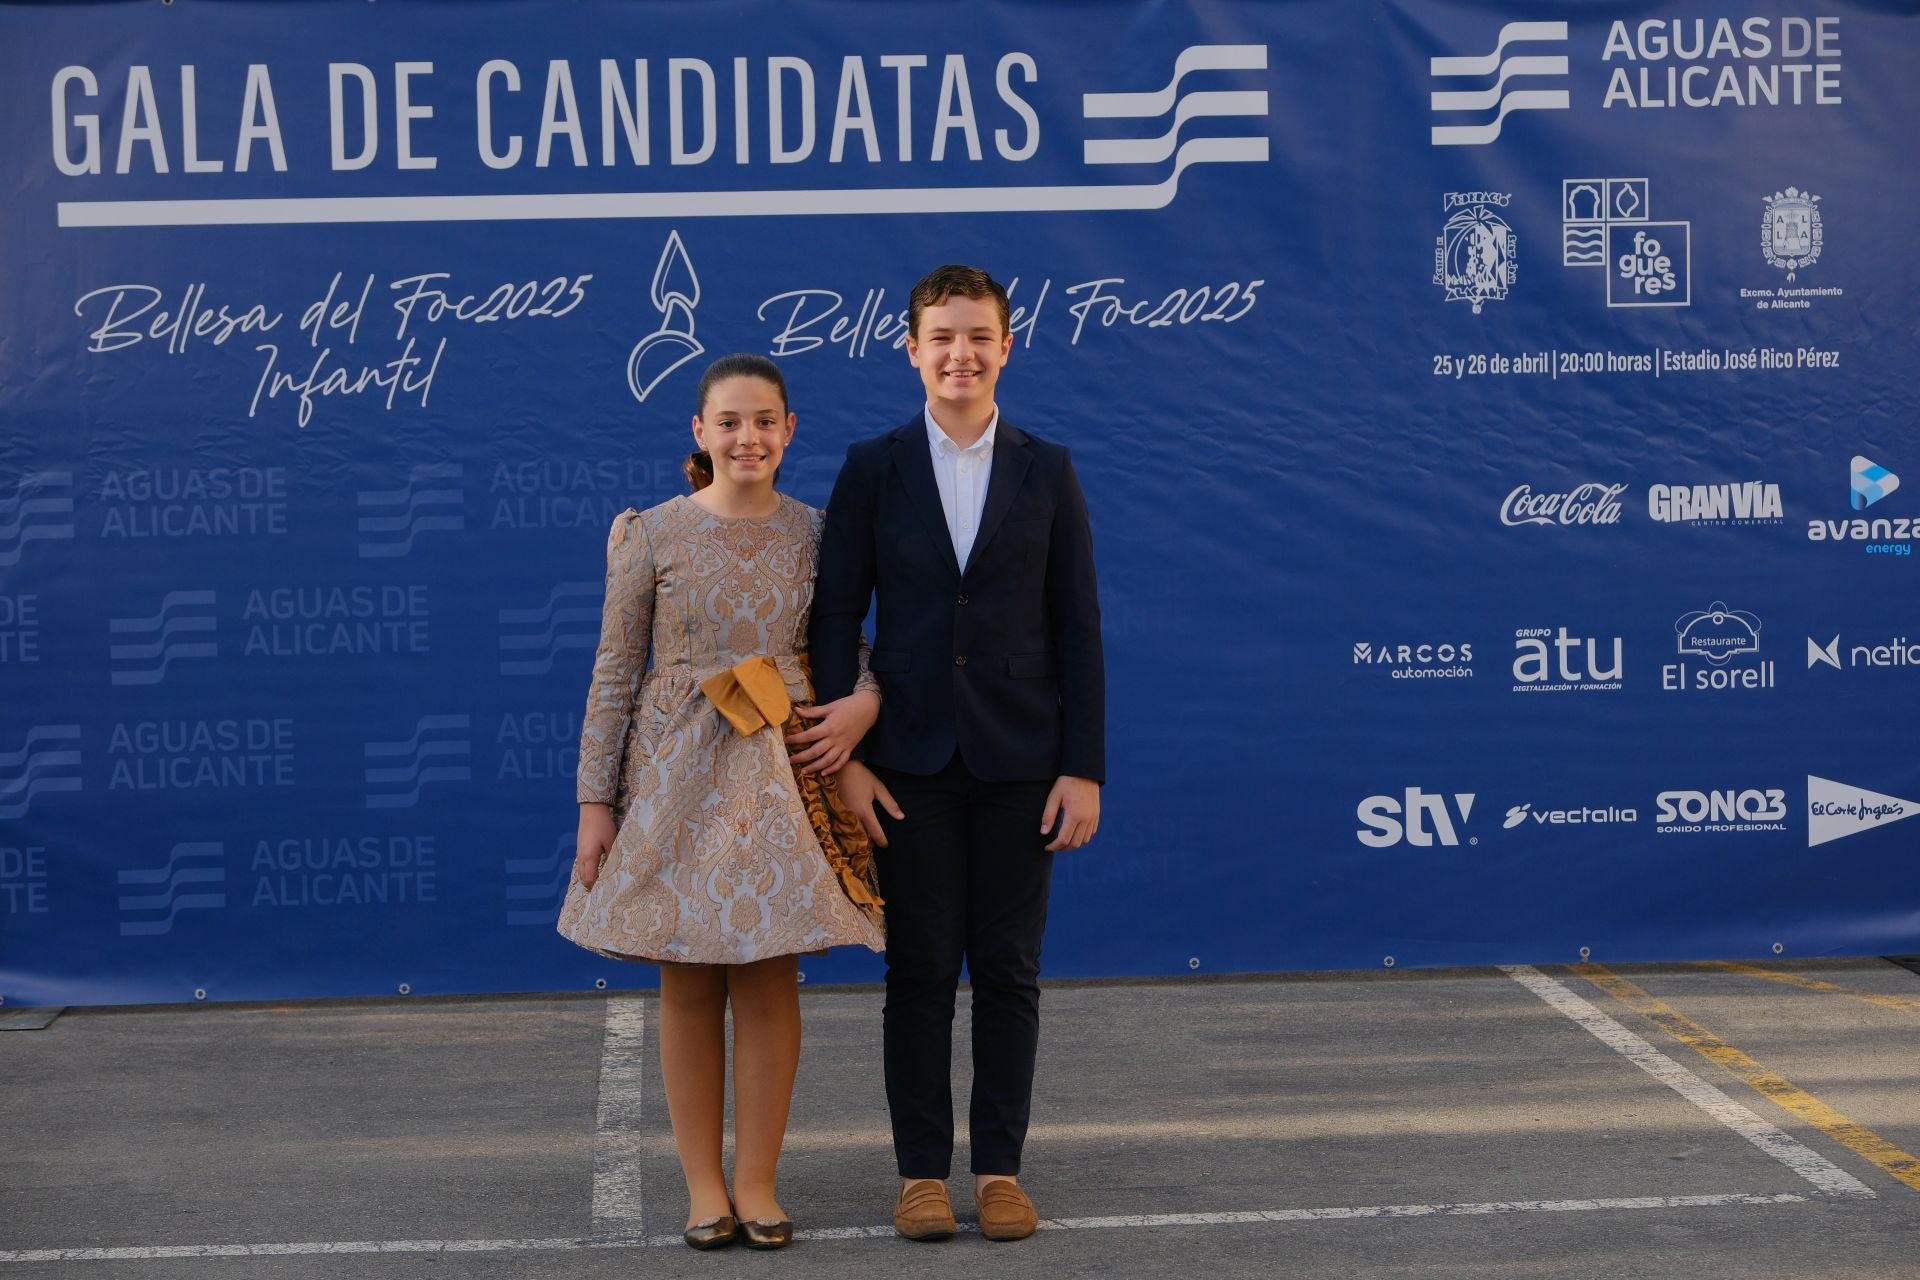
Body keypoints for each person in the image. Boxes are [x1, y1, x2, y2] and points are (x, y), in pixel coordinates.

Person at [557, 353, 886, 1251]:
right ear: (699, 435)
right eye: (729, 422)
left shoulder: (821, 534)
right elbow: (615, 670)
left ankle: (758, 1183)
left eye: (765, 421)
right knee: (689, 981)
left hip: (780, 774)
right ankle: (705, 1189)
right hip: (673, 777)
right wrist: (596, 802)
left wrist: (867, 701)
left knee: (771, 978)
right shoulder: (651, 534)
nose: (748, 437)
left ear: (789, 433)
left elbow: (851, 651)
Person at [808, 265, 1106, 1243]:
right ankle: (921, 1174)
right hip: (906, 763)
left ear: (1007, 346)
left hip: (1023, 760)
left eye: (978, 335)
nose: (960, 353)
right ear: (911, 348)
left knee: (1010, 968)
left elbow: (1078, 627)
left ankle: (1002, 1169)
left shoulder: (1048, 468)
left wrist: (1083, 765)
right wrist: (841, 754)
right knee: (922, 969)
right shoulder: (871, 466)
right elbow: (834, 614)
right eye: (941, 336)